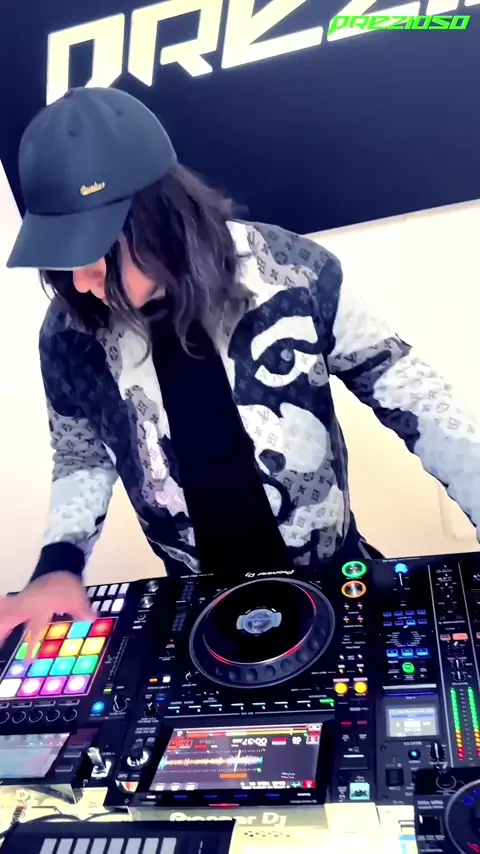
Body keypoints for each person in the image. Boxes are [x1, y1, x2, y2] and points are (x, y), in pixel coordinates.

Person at [2, 86, 479, 654]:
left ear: (157, 217)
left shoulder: (295, 271)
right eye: (63, 259)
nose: (80, 282)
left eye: (93, 252)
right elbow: (81, 454)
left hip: (334, 585)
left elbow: (415, 396)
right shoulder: (68, 332)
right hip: (200, 611)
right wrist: (58, 564)